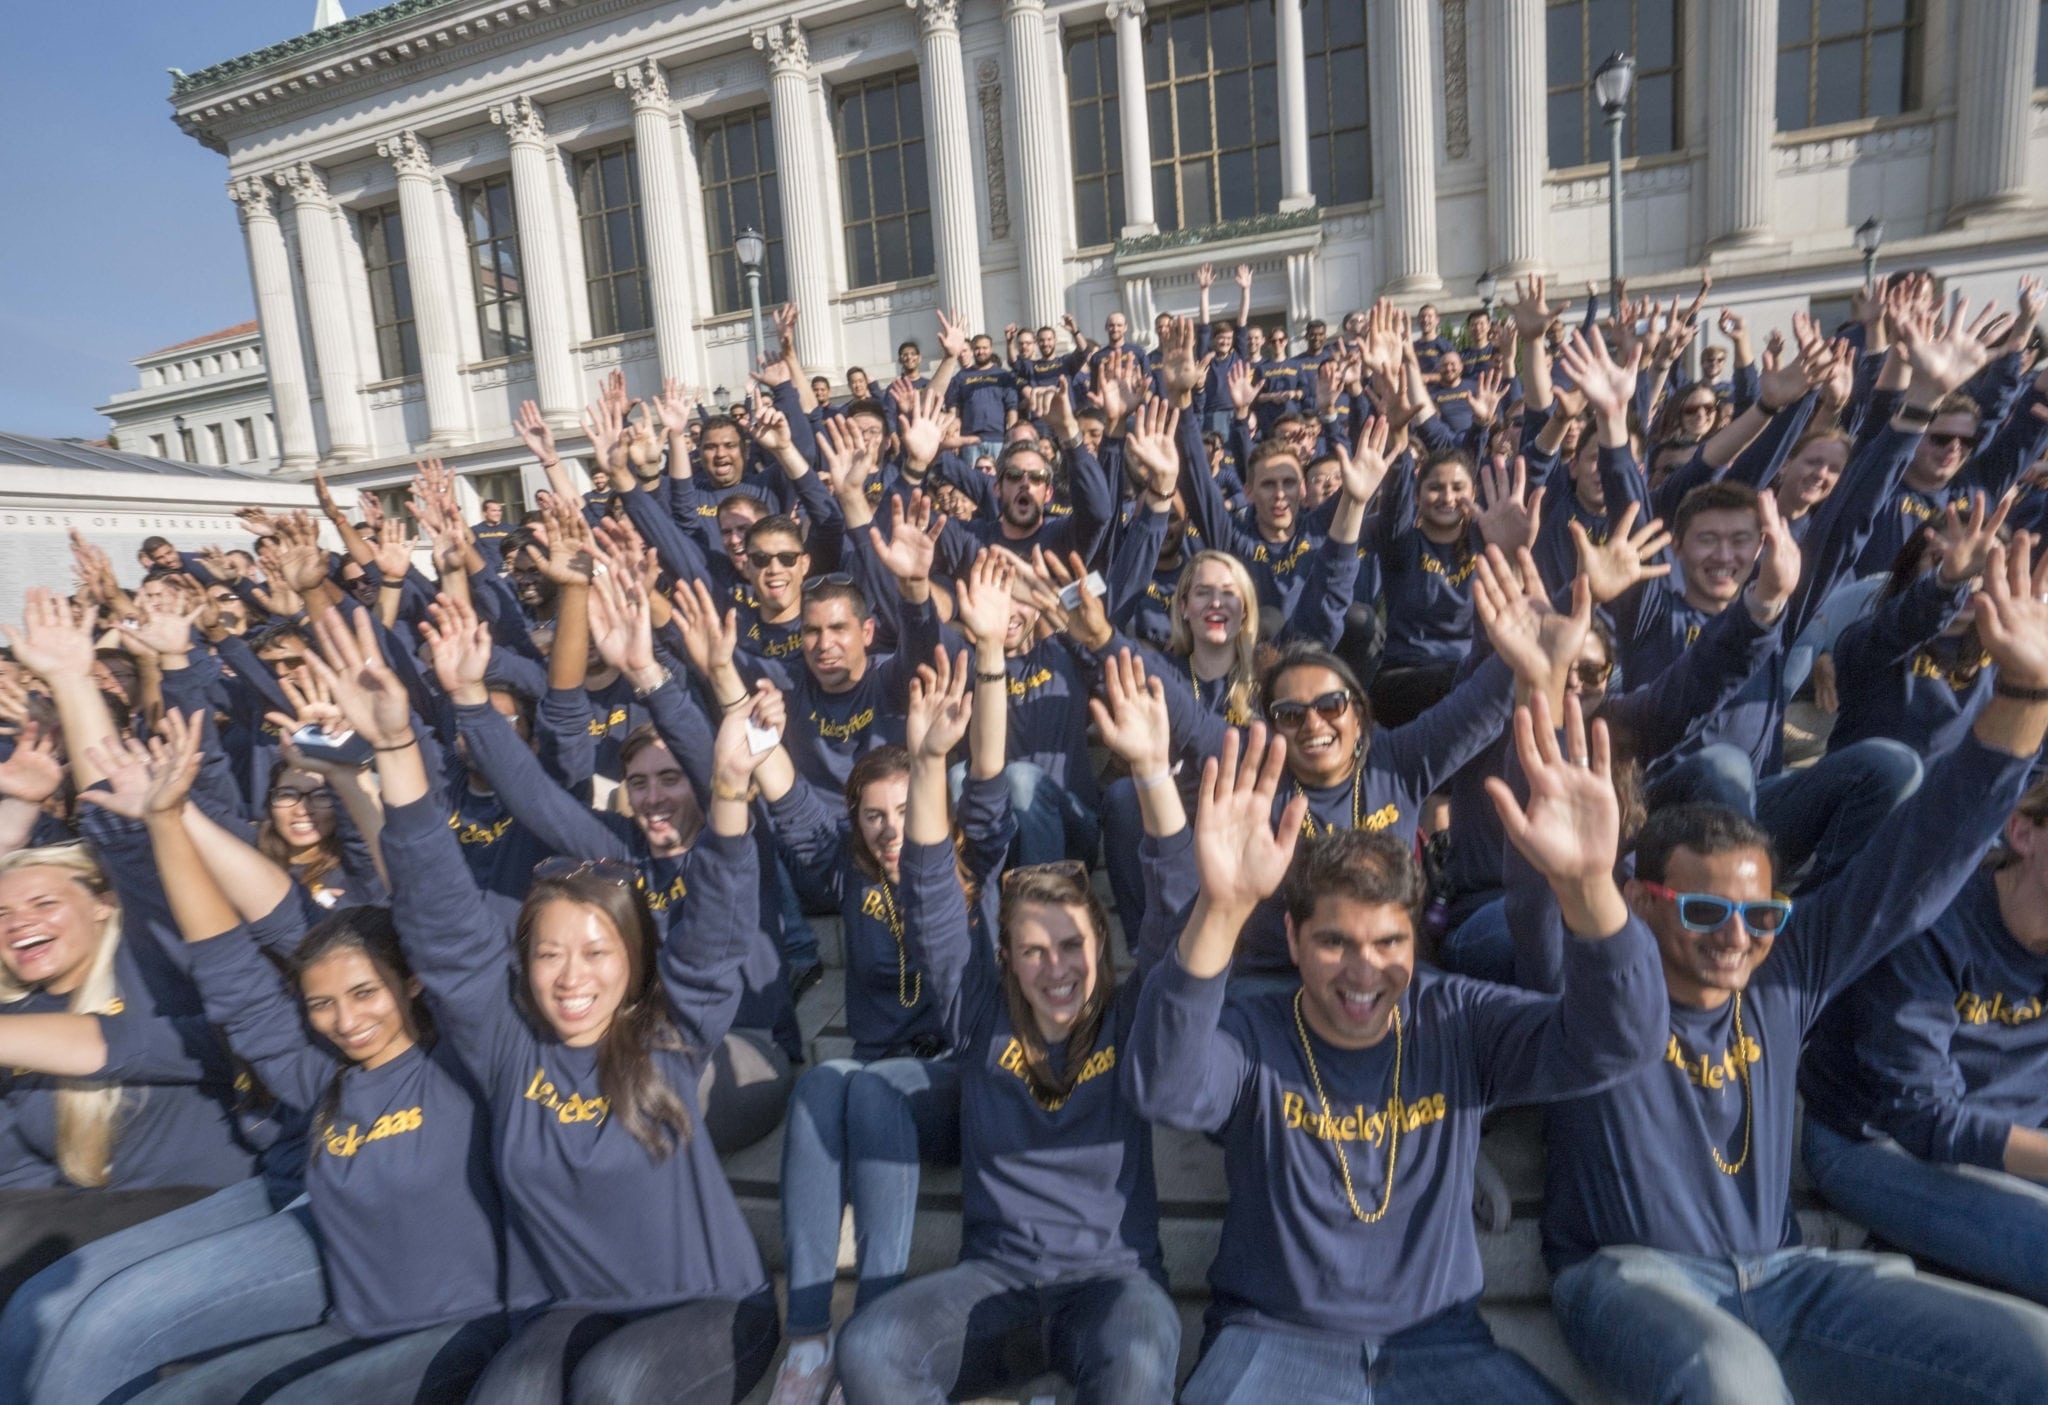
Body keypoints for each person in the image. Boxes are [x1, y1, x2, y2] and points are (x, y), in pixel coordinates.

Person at [1532, 534, 2048, 1404]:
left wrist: (2028, 695)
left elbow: (1926, 854)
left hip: (1782, 1273)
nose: (1736, 936)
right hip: (1631, 1276)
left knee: (2029, 1349)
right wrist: (1542, 687)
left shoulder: (1785, 969)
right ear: (1645, 900)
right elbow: (1553, 880)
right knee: (1739, 1387)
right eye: (1704, 911)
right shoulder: (1603, 981)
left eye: (1760, 913)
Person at [1126, 687, 1666, 1403]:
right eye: (1333, 942)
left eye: (1390, 943)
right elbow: (1163, 1084)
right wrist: (1221, 911)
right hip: (1274, 1338)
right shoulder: (1256, 1035)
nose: (1363, 970)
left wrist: (1591, 887)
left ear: (1420, 941)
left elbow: (1617, 1042)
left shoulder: (1456, 1018)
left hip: (1442, 1343)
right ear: (1292, 939)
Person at [312, 605, 783, 1405]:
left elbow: (713, 936)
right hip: (567, 1309)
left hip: (707, 1305)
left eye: (598, 953)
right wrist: (395, 747)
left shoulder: (666, 1036)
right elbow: (441, 920)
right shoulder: (506, 1045)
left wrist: (732, 790)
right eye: (549, 953)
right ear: (521, 963)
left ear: (633, 964)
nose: (572, 978)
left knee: (613, 1385)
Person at [833, 649, 1184, 1404]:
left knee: (1143, 1359)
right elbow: (929, 886)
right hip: (995, 1281)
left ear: (1103, 947)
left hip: (1113, 1282)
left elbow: (1177, 907)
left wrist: (1153, 770)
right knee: (865, 1349)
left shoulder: (1132, 1014)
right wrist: (930, 765)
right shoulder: (977, 1008)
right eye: (1032, 951)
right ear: (1005, 959)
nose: (1055, 968)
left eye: (1070, 946)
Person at [758, 629, 1015, 1403]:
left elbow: (994, 775)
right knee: (816, 1087)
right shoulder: (847, 864)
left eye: (905, 810)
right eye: (873, 815)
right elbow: (778, 783)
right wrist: (741, 705)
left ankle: (873, 1321)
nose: (891, 828)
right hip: (877, 1073)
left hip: (958, 1075)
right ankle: (808, 1339)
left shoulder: (971, 855)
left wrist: (993, 657)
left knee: (867, 1089)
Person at [1800, 774, 2048, 1311]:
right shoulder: (1936, 917)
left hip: (2016, 1143)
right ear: (2023, 834)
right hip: (1872, 1142)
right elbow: (1921, 1115)